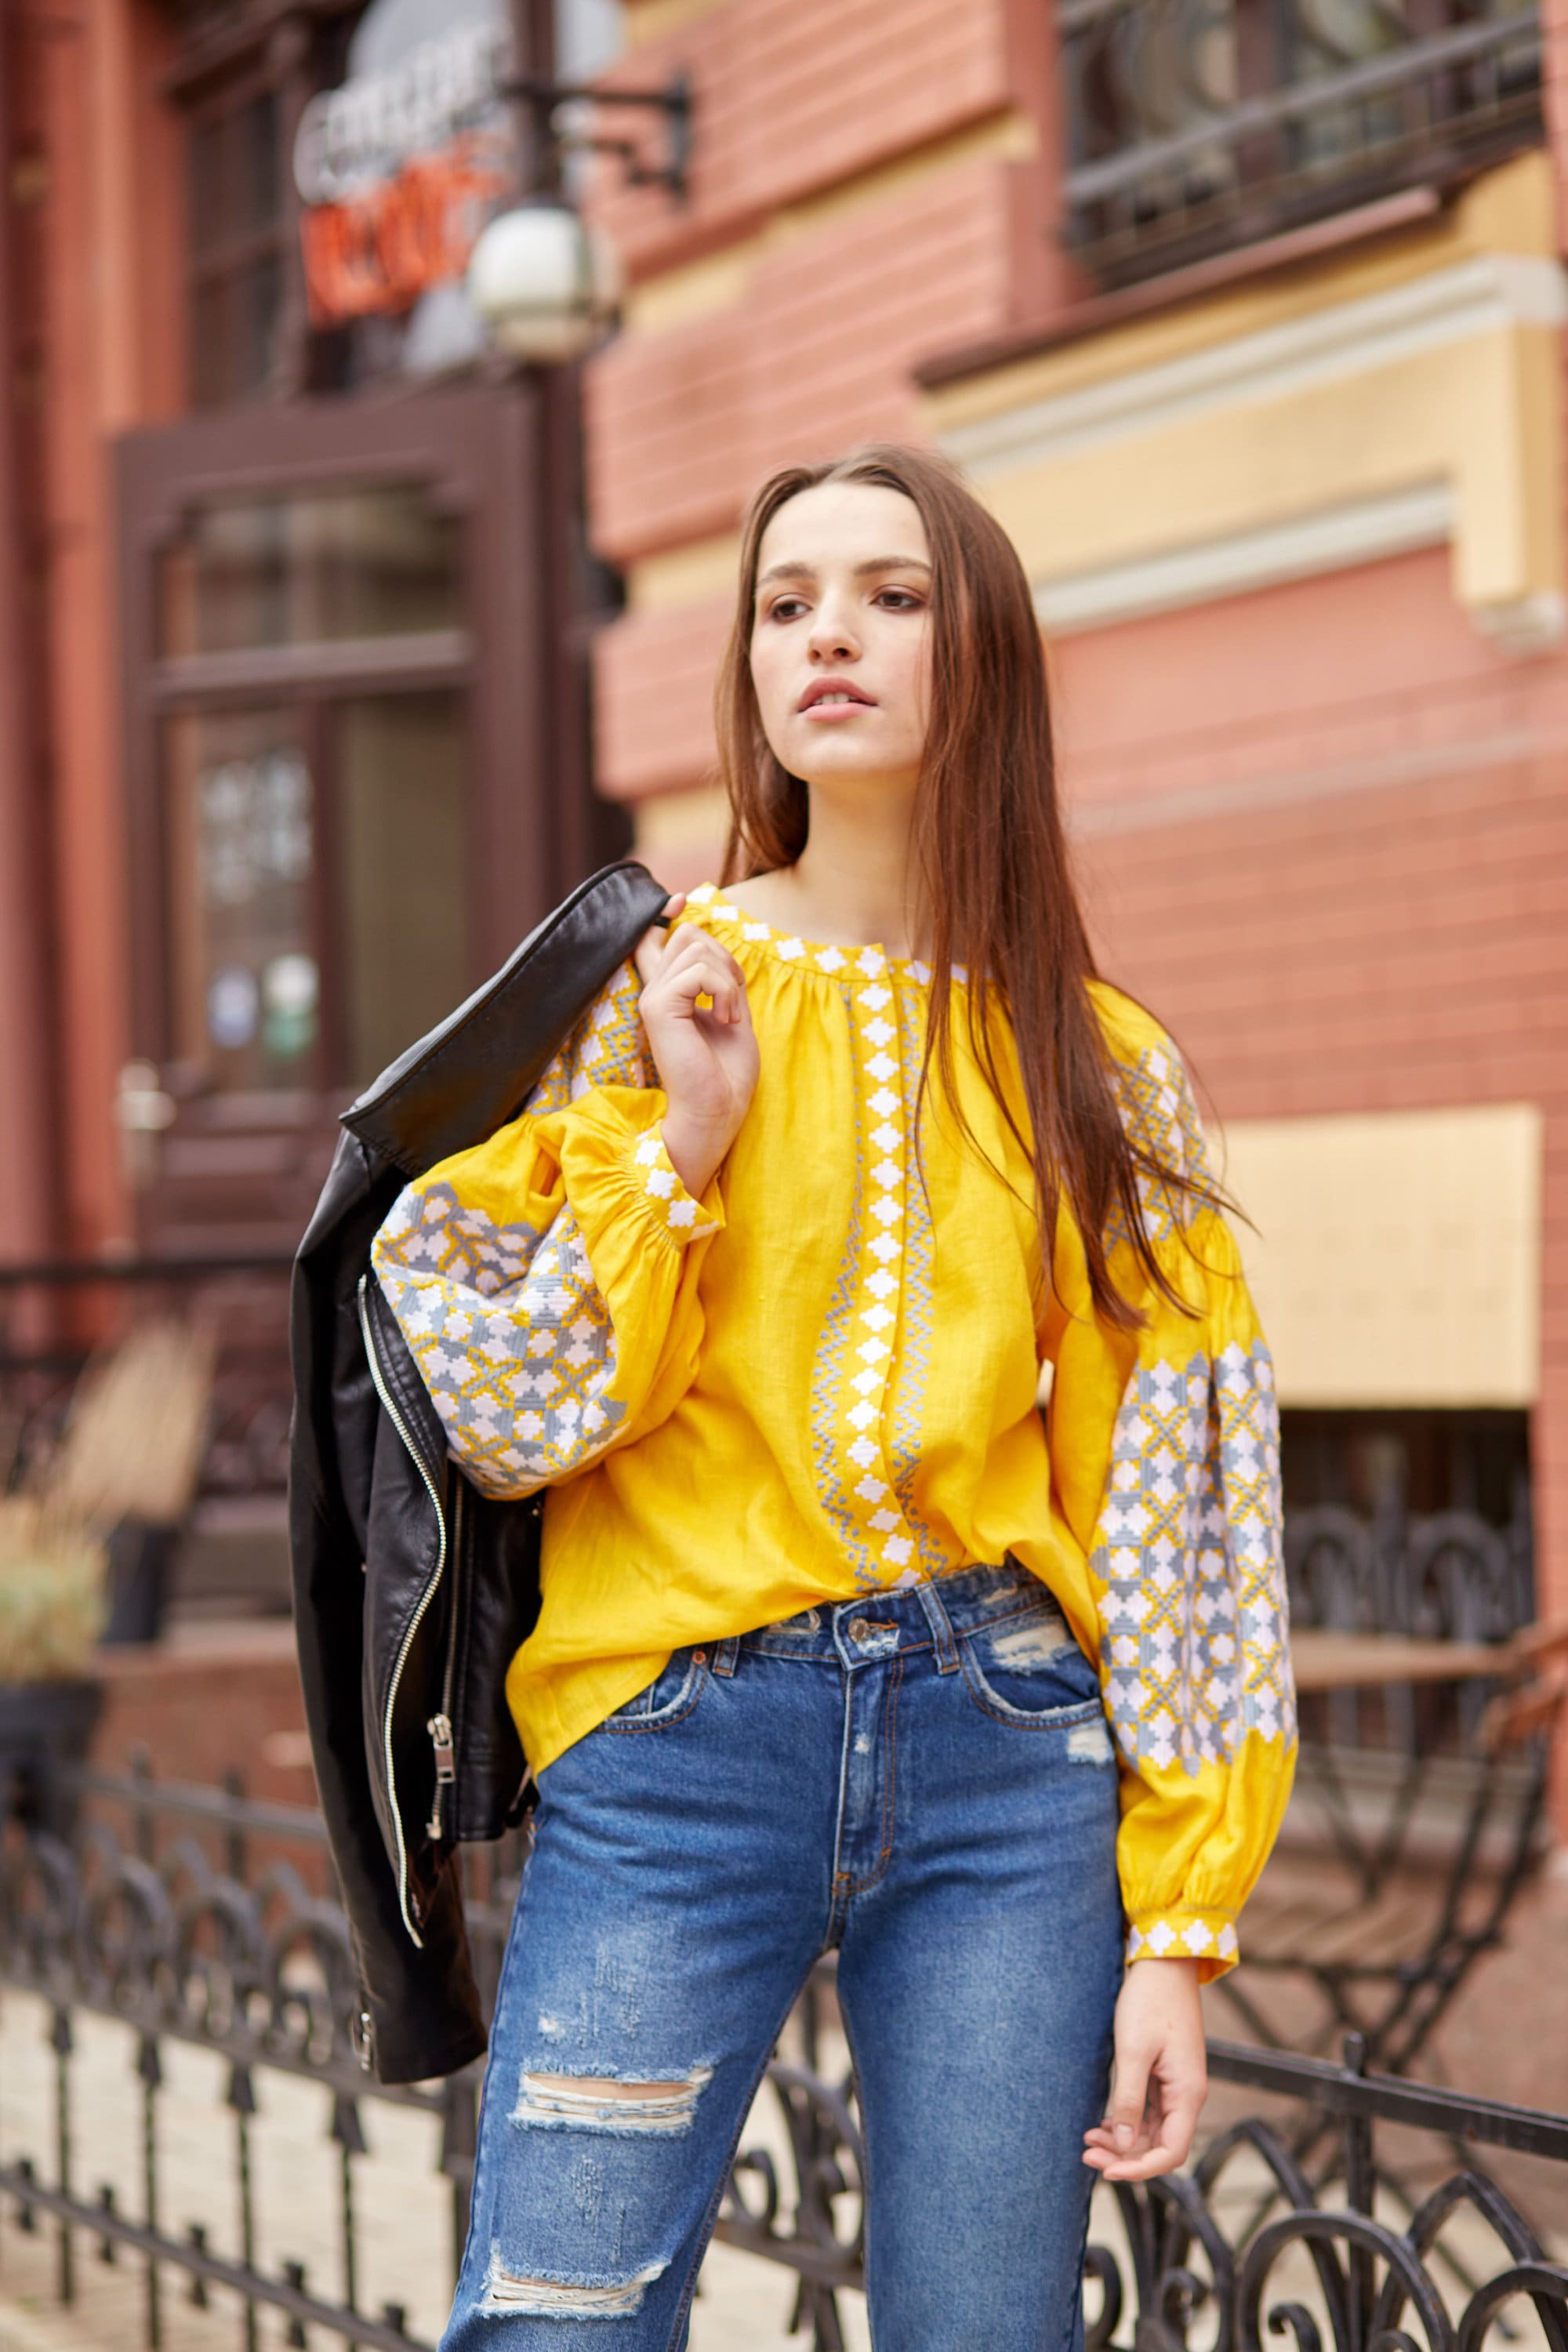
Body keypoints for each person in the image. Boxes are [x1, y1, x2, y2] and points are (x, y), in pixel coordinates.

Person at [370, 445, 1296, 2347]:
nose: (829, 638)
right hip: (674, 1752)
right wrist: (678, 1158)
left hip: (1005, 1759)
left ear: (988, 660)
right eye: (786, 603)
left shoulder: (1096, 1061)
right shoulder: (652, 1002)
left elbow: (1184, 1503)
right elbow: (502, 1405)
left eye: (891, 595)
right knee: (558, 2325)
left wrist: (1182, 1929)